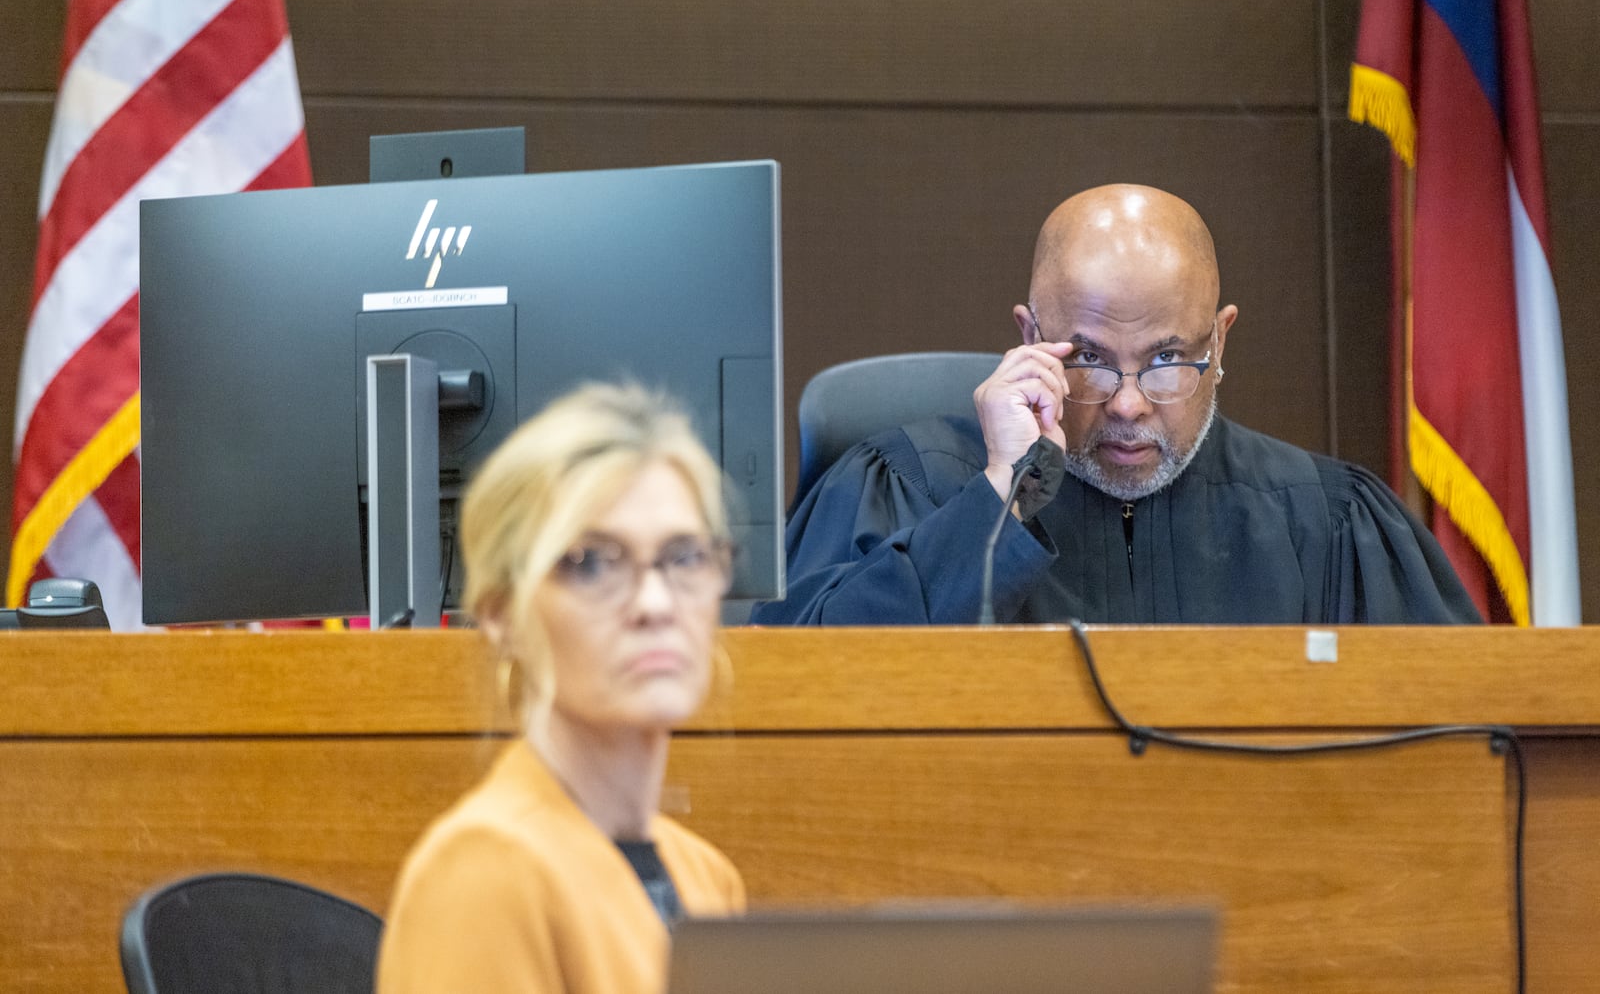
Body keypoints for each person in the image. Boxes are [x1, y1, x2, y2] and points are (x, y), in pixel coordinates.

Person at [754, 184, 1481, 626]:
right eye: (1092, 360)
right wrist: (999, 497)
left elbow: (1464, 735)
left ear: (1220, 341)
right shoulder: (906, 483)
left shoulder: (1326, 522)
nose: (1129, 405)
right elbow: (785, 686)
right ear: (1031, 339)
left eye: (1167, 360)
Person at [378, 383, 746, 994]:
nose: (655, 603)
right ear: (501, 613)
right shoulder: (486, 872)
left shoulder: (705, 876)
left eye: (684, 558)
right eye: (593, 563)